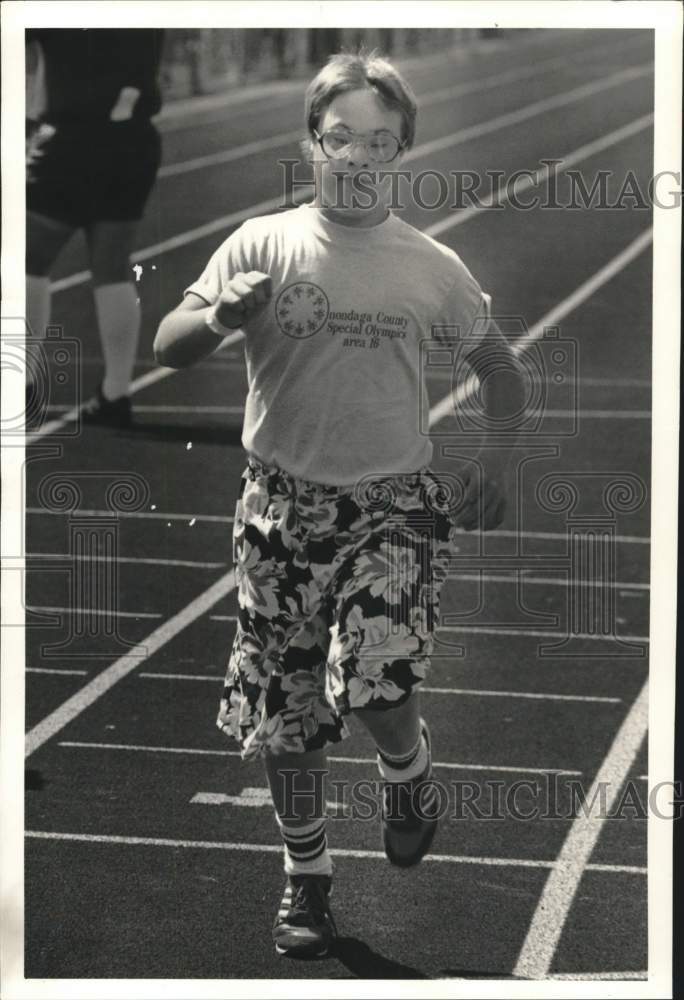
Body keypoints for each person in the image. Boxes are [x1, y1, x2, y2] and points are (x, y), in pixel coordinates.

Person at [154, 50, 525, 959]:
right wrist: (218, 316)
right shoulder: (261, 244)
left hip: (391, 509)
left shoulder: (431, 266)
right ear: (311, 143)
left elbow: (502, 370)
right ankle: (308, 881)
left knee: (378, 680)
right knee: (287, 714)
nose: (357, 156)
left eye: (379, 142)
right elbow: (168, 344)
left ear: (402, 152)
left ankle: (408, 770)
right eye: (340, 137)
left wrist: (498, 458)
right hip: (279, 512)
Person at [26, 28, 165, 428]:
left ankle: (22, 381)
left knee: (27, 260)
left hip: (70, 139)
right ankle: (116, 394)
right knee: (112, 268)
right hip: (134, 141)